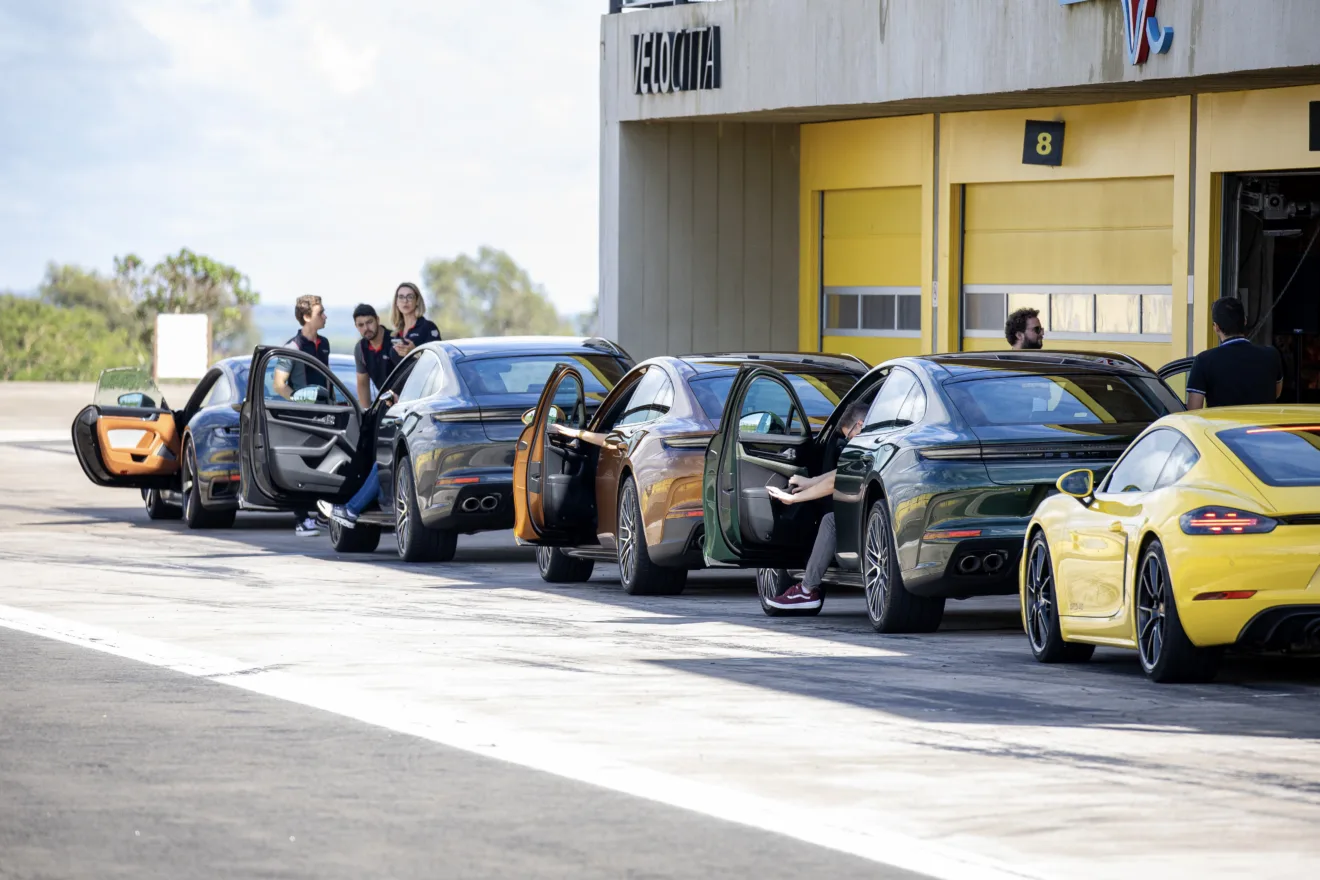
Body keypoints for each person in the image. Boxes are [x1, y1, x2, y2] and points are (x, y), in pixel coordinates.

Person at [761, 402, 869, 610]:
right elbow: (842, 472)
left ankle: (806, 590)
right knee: (831, 519)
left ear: (860, 425)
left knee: (831, 521)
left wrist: (793, 499)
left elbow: (836, 481)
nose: (848, 443)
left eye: (849, 437)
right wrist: (810, 482)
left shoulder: (871, 443)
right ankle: (807, 589)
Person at [273, 295, 331, 537]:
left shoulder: (324, 343)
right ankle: (301, 520)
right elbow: (279, 384)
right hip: (303, 417)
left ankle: (321, 515)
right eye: (321, 313)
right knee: (303, 467)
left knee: (328, 464)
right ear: (307, 317)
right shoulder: (292, 349)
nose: (325, 316)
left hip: (327, 414)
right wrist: (299, 401)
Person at [1186, 298, 1283, 410]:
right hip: (1262, 427)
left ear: (1216, 327)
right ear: (1245, 321)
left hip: (1223, 427)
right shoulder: (1271, 355)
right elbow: (1276, 393)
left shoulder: (1203, 361)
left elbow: (1194, 409)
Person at [351, 303, 400, 409]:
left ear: (377, 320)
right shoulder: (360, 349)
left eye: (369, 322)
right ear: (356, 326)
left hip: (408, 401)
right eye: (361, 325)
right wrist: (365, 414)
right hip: (387, 405)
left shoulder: (395, 340)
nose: (366, 328)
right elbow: (363, 384)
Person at [390, 282, 441, 361]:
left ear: (417, 301)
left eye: (410, 297)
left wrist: (415, 352)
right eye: (401, 297)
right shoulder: (396, 334)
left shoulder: (428, 327)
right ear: (396, 302)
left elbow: (437, 360)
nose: (405, 301)